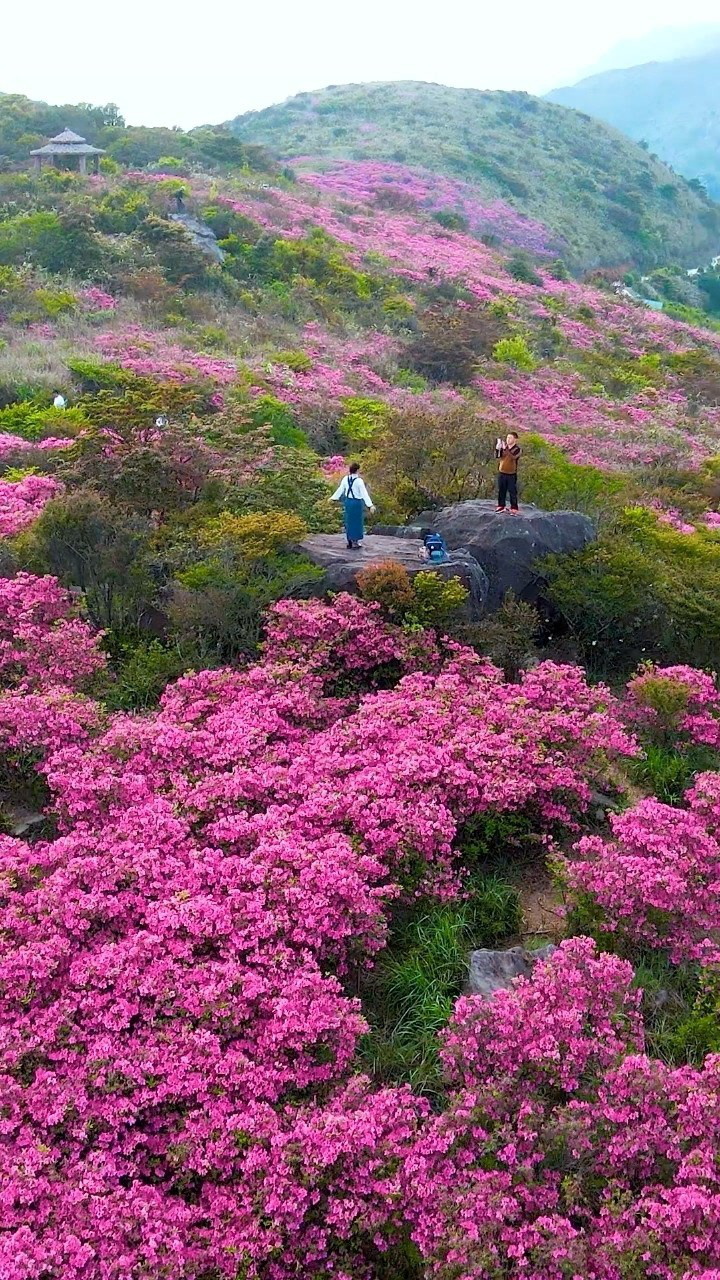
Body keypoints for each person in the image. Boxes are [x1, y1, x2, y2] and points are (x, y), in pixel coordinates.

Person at [331, 462, 375, 549]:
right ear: (357, 470)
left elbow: (340, 490)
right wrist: (370, 505)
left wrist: (333, 498)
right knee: (357, 522)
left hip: (348, 502)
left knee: (349, 521)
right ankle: (355, 541)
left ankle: (349, 541)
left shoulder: (345, 479)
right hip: (356, 503)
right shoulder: (359, 481)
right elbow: (364, 494)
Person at [496, 431, 521, 513]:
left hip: (511, 474)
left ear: (515, 439)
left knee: (512, 491)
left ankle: (514, 507)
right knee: (501, 490)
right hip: (502, 472)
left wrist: (505, 449)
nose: (508, 439)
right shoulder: (504, 448)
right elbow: (498, 456)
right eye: (507, 438)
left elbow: (513, 457)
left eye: (510, 438)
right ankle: (501, 505)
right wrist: (498, 449)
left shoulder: (517, 449)